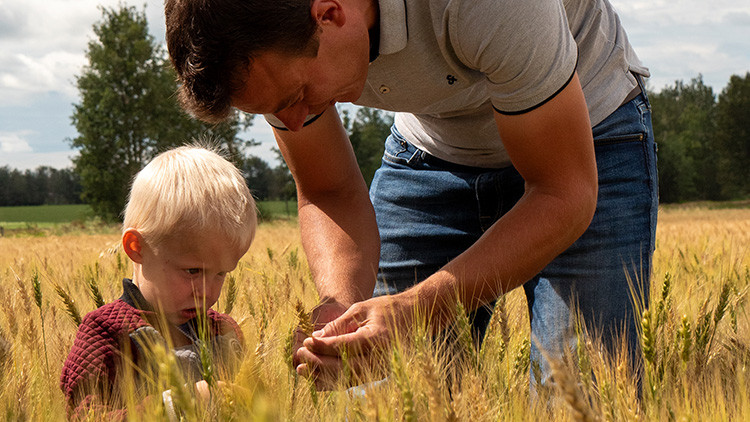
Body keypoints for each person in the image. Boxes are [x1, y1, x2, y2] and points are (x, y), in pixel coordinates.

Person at [164, 0, 658, 390]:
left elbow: (563, 193)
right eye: (273, 111)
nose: (294, 122)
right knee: (386, 391)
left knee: (577, 394)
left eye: (294, 99)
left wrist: (413, 310)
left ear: (330, 13)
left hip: (587, 135)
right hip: (434, 148)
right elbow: (327, 189)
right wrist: (340, 307)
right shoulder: (274, 48)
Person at [60, 145, 257, 418]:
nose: (207, 293)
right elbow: (86, 415)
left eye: (222, 273)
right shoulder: (106, 333)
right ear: (136, 247)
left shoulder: (223, 332)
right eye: (192, 271)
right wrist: (174, 405)